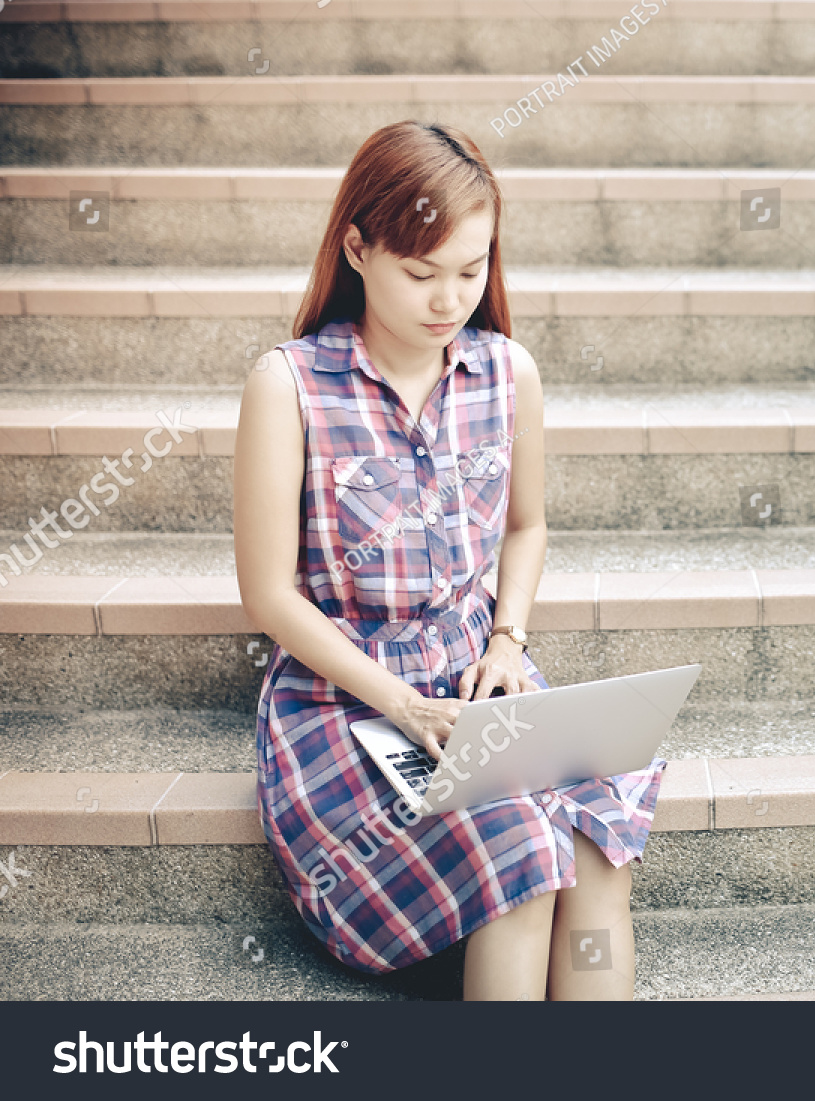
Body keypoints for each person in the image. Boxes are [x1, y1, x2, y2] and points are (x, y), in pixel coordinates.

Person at [233, 120, 667, 1000]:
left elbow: (525, 527)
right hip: (346, 700)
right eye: (420, 273)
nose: (448, 300)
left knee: (593, 838)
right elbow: (269, 593)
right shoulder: (289, 385)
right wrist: (401, 702)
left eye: (471, 272)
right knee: (519, 848)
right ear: (356, 247)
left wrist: (507, 643)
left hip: (478, 678)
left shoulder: (508, 373)